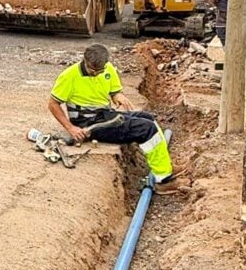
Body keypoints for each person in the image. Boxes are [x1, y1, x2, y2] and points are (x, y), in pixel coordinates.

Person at [47, 44, 185, 195]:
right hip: (89, 123)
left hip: (105, 114)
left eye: (99, 70)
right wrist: (71, 128)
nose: (95, 73)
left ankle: (165, 167)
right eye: (92, 70)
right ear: (85, 60)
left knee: (149, 119)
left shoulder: (108, 69)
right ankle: (164, 181)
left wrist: (118, 96)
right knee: (146, 129)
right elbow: (53, 104)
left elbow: (114, 92)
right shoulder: (69, 76)